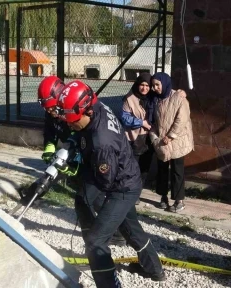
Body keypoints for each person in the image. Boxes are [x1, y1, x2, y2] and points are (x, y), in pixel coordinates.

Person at [58, 80, 165, 287]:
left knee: (96, 241)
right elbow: (82, 134)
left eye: (73, 120)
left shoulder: (101, 143)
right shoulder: (96, 105)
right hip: (126, 173)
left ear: (86, 111)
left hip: (122, 186)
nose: (70, 124)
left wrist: (75, 172)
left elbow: (104, 181)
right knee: (131, 228)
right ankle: (155, 269)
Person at [36, 76, 127, 247]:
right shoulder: (52, 111)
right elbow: (49, 130)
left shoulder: (76, 110)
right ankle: (112, 231)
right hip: (72, 152)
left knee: (89, 196)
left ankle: (106, 235)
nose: (51, 113)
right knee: (92, 197)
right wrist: (49, 147)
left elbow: (82, 137)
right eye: (47, 110)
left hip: (88, 155)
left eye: (53, 109)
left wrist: (74, 163)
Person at [148, 72, 193, 212]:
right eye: (153, 85)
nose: (155, 87)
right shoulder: (155, 99)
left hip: (177, 141)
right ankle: (163, 197)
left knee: (177, 170)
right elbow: (154, 121)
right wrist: (155, 137)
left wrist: (171, 135)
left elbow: (182, 119)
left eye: (157, 84)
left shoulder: (178, 98)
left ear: (165, 83)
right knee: (162, 170)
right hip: (162, 141)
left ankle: (179, 201)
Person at [120, 73, 155, 192]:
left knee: (145, 166)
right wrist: (141, 123)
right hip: (134, 138)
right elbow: (125, 118)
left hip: (149, 137)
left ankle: (138, 191)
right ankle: (131, 191)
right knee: (133, 166)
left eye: (147, 85)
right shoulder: (129, 98)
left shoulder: (153, 97)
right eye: (142, 85)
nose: (144, 88)